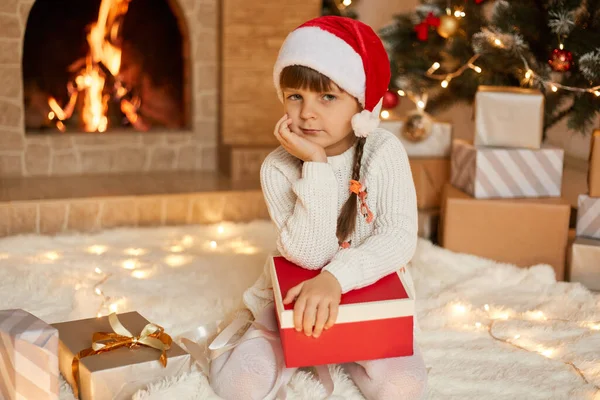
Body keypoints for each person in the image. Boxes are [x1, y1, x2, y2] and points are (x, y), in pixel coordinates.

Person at [209, 15, 427, 400]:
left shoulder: (383, 151)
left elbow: (397, 237)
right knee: (239, 385)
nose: (307, 112)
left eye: (327, 96)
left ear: (361, 105)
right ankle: (294, 345)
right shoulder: (278, 167)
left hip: (366, 292)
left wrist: (337, 278)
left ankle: (347, 348)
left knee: (404, 388)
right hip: (296, 298)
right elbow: (309, 256)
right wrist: (316, 165)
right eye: (295, 96)